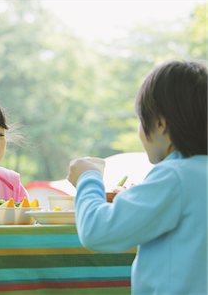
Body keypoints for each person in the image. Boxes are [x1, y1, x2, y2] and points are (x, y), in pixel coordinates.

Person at [67, 60, 207, 294]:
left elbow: (97, 231)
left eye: (142, 121)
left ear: (161, 124)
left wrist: (88, 178)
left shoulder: (175, 177)